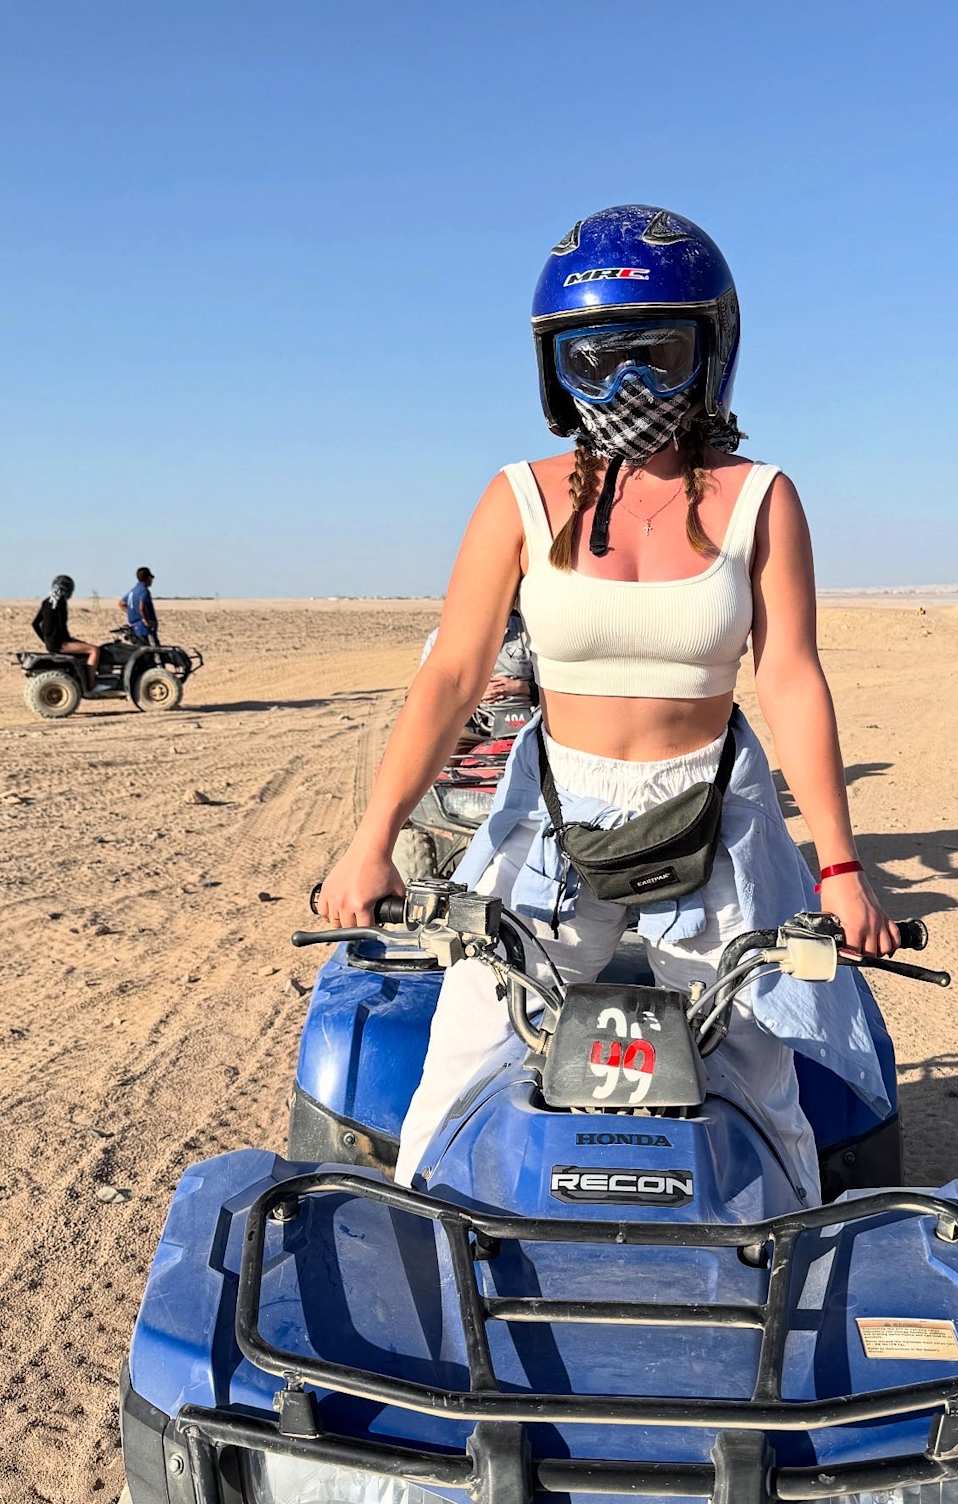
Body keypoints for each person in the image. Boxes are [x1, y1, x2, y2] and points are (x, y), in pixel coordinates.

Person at [319, 203, 899, 1197]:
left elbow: (791, 675)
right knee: (463, 1055)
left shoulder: (760, 498)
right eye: (592, 360)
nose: (626, 386)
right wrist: (370, 842)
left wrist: (839, 870)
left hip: (714, 818)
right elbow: (451, 676)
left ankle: (780, 1257)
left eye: (656, 355)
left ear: (709, 355)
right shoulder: (518, 496)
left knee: (759, 1076)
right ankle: (427, 1243)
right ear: (555, 370)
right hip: (553, 815)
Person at [32, 575, 100, 687]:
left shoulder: (46, 602)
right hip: (61, 644)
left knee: (84, 646)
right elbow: (61, 626)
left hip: (51, 644)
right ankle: (91, 685)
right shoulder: (61, 603)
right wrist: (70, 640)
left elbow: (35, 624)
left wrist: (45, 640)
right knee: (94, 650)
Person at [119, 566, 159, 645]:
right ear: (147, 578)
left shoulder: (133, 591)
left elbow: (121, 604)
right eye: (151, 578)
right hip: (144, 630)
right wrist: (146, 621)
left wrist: (132, 612)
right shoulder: (144, 591)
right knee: (152, 650)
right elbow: (141, 607)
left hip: (134, 627)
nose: (152, 580)